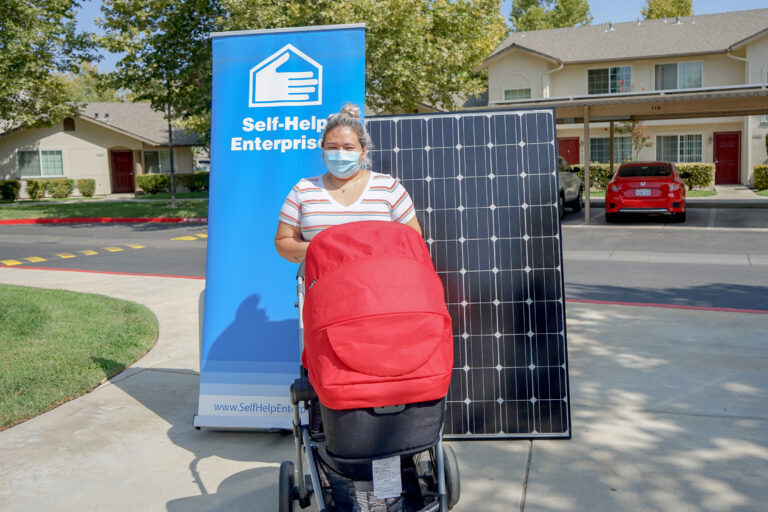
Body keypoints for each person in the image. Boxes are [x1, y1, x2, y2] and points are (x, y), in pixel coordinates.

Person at [275, 103, 422, 262]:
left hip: (379, 283)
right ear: (323, 151)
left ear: (363, 150)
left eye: (348, 147)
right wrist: (324, 248)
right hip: (323, 284)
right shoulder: (303, 190)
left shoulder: (388, 187)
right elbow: (284, 242)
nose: (340, 153)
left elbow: (412, 238)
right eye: (332, 147)